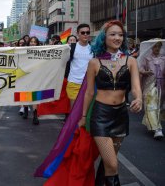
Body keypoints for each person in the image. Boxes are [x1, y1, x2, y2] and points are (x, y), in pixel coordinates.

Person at [79, 20, 142, 186]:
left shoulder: (131, 61)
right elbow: (89, 92)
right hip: (100, 116)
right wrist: (84, 116)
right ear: (104, 38)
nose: (117, 38)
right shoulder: (94, 63)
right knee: (113, 164)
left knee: (109, 162)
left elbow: (136, 87)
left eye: (120, 35)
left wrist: (139, 98)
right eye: (113, 34)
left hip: (120, 116)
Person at [138, 39, 165, 140]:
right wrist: (144, 72)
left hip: (162, 86)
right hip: (150, 85)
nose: (157, 48)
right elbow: (140, 68)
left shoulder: (164, 58)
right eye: (155, 46)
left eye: (159, 46)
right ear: (151, 48)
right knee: (150, 105)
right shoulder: (147, 58)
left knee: (158, 107)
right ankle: (157, 129)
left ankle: (152, 124)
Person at [66, 23, 93, 107]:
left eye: (87, 32)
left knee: (86, 112)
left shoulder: (94, 48)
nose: (85, 34)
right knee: (74, 111)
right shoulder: (71, 47)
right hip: (74, 83)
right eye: (83, 32)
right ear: (78, 34)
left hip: (89, 84)